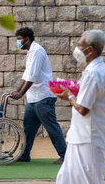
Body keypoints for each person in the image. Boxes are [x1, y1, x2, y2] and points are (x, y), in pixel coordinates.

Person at [51, 30, 105, 184]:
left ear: (90, 49)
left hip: (90, 135)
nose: (77, 48)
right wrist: (72, 93)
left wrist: (68, 96)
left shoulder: (96, 73)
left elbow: (83, 109)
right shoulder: (93, 70)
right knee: (66, 179)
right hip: (80, 136)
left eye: (80, 44)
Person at [10, 27, 66, 165]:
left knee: (51, 127)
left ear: (27, 39)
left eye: (19, 39)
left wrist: (21, 93)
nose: (18, 42)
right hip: (33, 97)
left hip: (43, 97)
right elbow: (26, 75)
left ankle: (65, 156)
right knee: (28, 128)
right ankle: (25, 155)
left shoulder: (37, 51)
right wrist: (17, 91)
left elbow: (33, 76)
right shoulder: (30, 52)